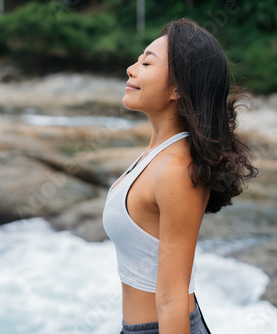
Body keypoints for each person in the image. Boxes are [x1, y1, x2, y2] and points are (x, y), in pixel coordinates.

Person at [102, 18, 258, 334]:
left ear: (177, 89)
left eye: (147, 62)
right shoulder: (158, 155)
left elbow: (172, 298)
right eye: (138, 60)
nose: (132, 69)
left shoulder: (177, 171)